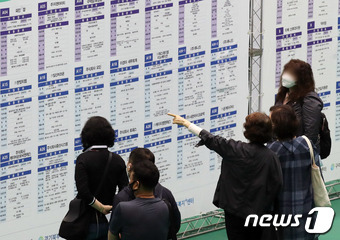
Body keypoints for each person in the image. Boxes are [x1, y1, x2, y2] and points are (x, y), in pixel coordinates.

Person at [168, 112, 283, 240]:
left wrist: (187, 124)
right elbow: (276, 184)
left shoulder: (234, 149)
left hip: (233, 212)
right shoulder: (271, 157)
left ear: (247, 130)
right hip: (258, 213)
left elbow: (211, 139)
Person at [267, 105, 320, 240]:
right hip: (307, 213)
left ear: (275, 127)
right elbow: (318, 178)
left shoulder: (271, 151)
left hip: (280, 218)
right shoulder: (307, 144)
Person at [75, 116, 128, 240]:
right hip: (111, 220)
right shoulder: (117, 160)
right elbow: (124, 190)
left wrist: (100, 207)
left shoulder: (83, 159)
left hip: (87, 221)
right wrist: (112, 208)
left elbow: (83, 192)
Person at [110, 148, 181, 239]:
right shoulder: (166, 194)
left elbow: (113, 233)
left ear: (131, 167)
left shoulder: (122, 200)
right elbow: (175, 225)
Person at [275, 59, 323, 151]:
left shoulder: (309, 99)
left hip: (300, 155)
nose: (285, 77)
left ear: (301, 79)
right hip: (280, 151)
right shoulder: (282, 95)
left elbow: (310, 137)